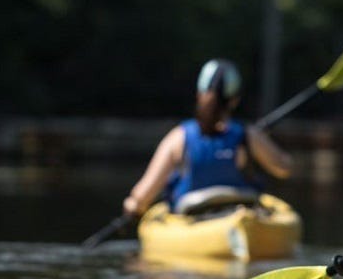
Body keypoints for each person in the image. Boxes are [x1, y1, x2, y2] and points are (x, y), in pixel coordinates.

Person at [122, 59, 293, 217]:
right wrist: (261, 140)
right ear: (234, 101)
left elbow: (143, 195)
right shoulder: (248, 135)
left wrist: (132, 204)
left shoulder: (179, 137)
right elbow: (284, 168)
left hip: (191, 221)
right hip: (239, 216)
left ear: (199, 94)